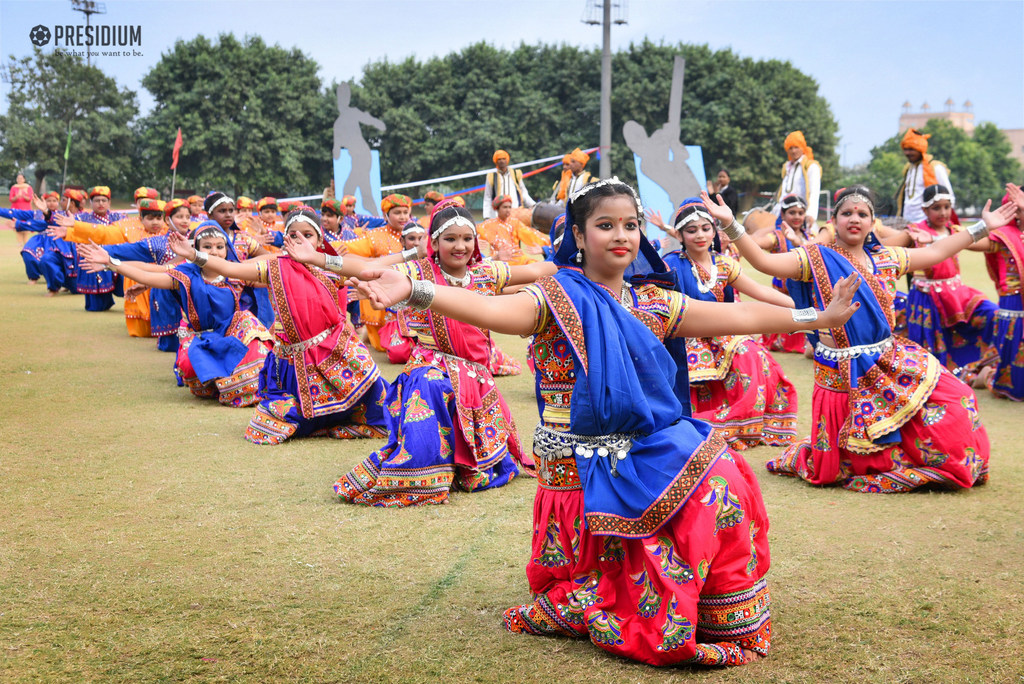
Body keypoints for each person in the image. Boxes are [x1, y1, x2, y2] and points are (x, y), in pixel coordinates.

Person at [352, 178, 862, 666]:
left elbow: (740, 318)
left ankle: (716, 606)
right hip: (575, 455)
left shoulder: (652, 302)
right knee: (705, 487)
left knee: (727, 475)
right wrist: (415, 289)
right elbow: (486, 309)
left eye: (629, 225)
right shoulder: (554, 298)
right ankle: (637, 589)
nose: (621, 235)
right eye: (605, 225)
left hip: (636, 446)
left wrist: (817, 319)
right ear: (577, 235)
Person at [707, 186, 1012, 492]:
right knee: (838, 465)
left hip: (889, 361)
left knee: (959, 398)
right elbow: (763, 262)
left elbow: (936, 252)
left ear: (871, 223)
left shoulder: (887, 258)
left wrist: (982, 226)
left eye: (862, 214)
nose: (855, 219)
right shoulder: (813, 259)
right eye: (847, 213)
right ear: (834, 221)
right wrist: (730, 224)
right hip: (840, 371)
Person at [335, 202, 550, 506]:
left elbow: (535, 270)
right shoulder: (416, 272)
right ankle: (421, 473)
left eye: (467, 238)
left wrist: (581, 258)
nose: (460, 246)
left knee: (488, 470)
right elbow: (362, 267)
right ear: (434, 243)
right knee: (431, 384)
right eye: (450, 239)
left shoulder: (486, 272)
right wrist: (317, 258)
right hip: (430, 367)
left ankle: (456, 464)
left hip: (476, 377)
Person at [166, 208, 400, 444]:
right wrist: (195, 256)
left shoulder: (329, 266)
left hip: (336, 353)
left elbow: (374, 266)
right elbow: (230, 269)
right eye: (293, 235)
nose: (300, 240)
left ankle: (342, 413)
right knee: (269, 425)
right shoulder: (275, 267)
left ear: (319, 240)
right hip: (292, 361)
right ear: (285, 240)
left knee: (381, 408)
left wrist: (414, 253)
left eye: (307, 235)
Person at [79, 222, 273, 407]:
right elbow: (148, 274)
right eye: (207, 246)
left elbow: (271, 265)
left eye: (219, 247)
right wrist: (111, 263)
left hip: (231, 336)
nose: (214, 251)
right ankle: (224, 381)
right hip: (202, 341)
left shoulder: (236, 273)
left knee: (247, 321)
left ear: (227, 249)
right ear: (195, 250)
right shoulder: (185, 276)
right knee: (194, 375)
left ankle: (242, 383)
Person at [662, 198, 799, 450]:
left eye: (706, 228)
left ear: (714, 231)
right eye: (691, 230)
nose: (700, 235)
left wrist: (800, 307)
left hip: (721, 332)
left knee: (754, 354)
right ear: (680, 235)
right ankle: (714, 421)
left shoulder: (724, 264)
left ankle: (748, 420)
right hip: (686, 336)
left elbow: (760, 291)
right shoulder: (670, 265)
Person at [883, 184, 997, 371]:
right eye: (936, 208)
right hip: (926, 299)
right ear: (924, 210)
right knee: (931, 351)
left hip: (956, 295)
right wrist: (907, 235)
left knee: (992, 313)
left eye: (946, 206)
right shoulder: (915, 230)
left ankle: (977, 366)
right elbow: (885, 248)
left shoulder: (955, 231)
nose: (943, 212)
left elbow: (991, 245)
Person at [341, 193, 415, 351]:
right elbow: (345, 249)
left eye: (405, 212)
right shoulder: (375, 236)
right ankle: (372, 333)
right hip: (380, 297)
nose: (402, 217)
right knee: (384, 347)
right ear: (385, 215)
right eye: (397, 213)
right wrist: (371, 264)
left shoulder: (416, 234)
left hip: (410, 295)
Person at [754, 194, 816, 353]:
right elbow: (755, 243)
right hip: (783, 300)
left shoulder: (810, 237)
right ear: (783, 214)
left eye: (800, 213)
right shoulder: (777, 237)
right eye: (792, 212)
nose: (797, 217)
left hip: (807, 299)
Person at [979, 183, 1024, 400]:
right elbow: (969, 243)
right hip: (1014, 308)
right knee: (1012, 382)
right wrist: (982, 227)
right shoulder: (1005, 237)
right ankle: (983, 374)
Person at [74, 186, 126, 312]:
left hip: (116, 254)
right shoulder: (81, 219)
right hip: (92, 256)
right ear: (90, 203)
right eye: (97, 200)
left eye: (104, 200)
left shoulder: (120, 218)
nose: (101, 203)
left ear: (109, 202)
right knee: (96, 307)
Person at [896, 128, 954, 225]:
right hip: (907, 222)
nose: (907, 153)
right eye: (905, 149)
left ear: (920, 149)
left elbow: (949, 197)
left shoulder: (935, 167)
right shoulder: (908, 169)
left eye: (911, 149)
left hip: (928, 223)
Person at [477, 195, 550, 265]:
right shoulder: (487, 225)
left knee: (536, 265)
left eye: (509, 207)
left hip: (517, 258)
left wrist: (549, 243)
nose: (508, 210)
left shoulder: (515, 223)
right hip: (498, 260)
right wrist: (476, 242)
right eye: (505, 207)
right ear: (497, 208)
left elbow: (530, 234)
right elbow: (473, 235)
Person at [770, 131, 820, 230]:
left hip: (801, 215)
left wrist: (811, 214)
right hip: (783, 214)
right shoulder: (787, 167)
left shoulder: (811, 166)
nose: (793, 151)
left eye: (796, 147)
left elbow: (814, 192)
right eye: (790, 148)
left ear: (803, 148)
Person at [483, 149, 535, 220]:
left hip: (516, 212)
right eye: (499, 159)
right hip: (497, 214)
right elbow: (487, 197)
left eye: (503, 159)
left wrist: (533, 205)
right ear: (496, 161)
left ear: (507, 160)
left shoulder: (516, 174)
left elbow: (523, 193)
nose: (501, 161)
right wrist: (486, 216)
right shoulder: (491, 176)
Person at [8, 173, 35, 247]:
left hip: (26, 209)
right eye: (18, 178)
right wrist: (17, 196)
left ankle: (26, 242)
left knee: (26, 226)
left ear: (24, 179)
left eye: (21, 178)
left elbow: (30, 198)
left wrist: (23, 195)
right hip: (16, 208)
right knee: (17, 225)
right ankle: (19, 242)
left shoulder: (28, 187)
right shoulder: (14, 187)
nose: (19, 180)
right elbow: (11, 199)